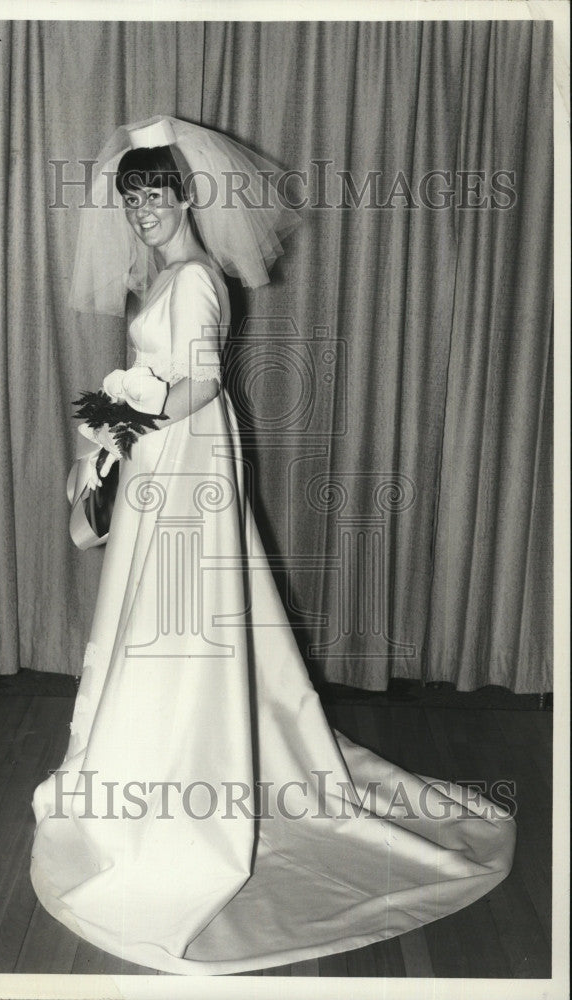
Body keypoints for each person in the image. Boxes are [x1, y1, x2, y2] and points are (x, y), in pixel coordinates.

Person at [30, 115, 515, 976]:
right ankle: (131, 771)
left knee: (179, 621)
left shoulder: (199, 281)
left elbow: (205, 380)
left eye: (154, 194)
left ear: (183, 195)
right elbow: (157, 376)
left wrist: (123, 415)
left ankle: (175, 782)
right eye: (130, 198)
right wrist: (112, 431)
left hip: (185, 466)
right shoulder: (153, 283)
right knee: (152, 610)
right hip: (159, 467)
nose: (141, 211)